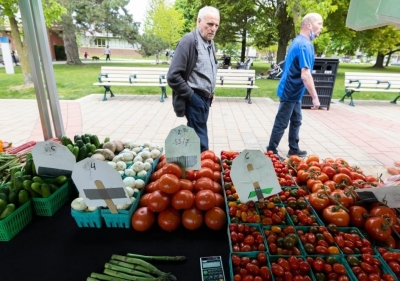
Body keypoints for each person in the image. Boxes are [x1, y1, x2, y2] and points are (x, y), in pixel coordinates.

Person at [266, 13, 323, 158]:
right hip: (290, 90)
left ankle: (294, 148)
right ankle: (271, 150)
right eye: (319, 24)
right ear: (309, 25)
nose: (321, 28)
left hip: (295, 91)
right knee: (282, 122)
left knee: (296, 120)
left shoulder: (298, 41)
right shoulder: (305, 45)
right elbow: (305, 74)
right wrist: (315, 98)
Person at [167, 6, 220, 152]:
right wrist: (192, 97)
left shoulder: (209, 42)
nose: (213, 29)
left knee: (196, 139)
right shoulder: (189, 41)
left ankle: (192, 170)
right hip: (194, 98)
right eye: (210, 24)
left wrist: (211, 91)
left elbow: (205, 70)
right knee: (201, 143)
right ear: (199, 21)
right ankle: (202, 172)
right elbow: (173, 76)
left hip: (205, 99)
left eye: (216, 25)